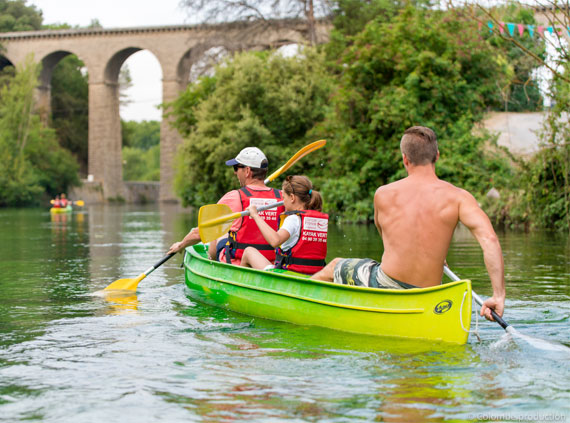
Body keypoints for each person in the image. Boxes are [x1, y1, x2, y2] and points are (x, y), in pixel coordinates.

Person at [311, 126, 506, 322]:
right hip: (430, 295)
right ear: (437, 156)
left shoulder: (384, 194)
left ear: (405, 159)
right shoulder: (459, 197)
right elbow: (490, 239)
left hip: (386, 284)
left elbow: (387, 237)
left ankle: (310, 308)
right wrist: (498, 296)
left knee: (334, 265)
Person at [168, 147, 285, 264]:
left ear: (247, 171)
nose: (235, 172)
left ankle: (212, 265)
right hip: (272, 261)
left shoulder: (235, 197)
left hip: (238, 262)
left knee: (220, 229)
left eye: (236, 168)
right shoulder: (282, 197)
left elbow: (203, 230)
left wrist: (181, 245)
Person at [241, 175, 328, 274]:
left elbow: (275, 241)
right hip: (314, 275)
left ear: (292, 197)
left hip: (288, 276)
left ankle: (239, 285)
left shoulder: (293, 219)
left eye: (283, 197)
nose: (283, 202)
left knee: (249, 251)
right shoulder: (318, 221)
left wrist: (255, 215)